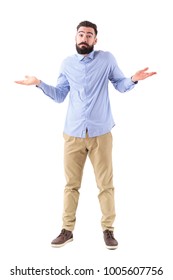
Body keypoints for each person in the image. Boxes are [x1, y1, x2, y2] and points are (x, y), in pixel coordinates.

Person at [15, 20, 156, 250]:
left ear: (95, 40)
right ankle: (67, 230)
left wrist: (133, 79)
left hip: (101, 133)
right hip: (73, 134)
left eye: (89, 35)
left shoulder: (106, 59)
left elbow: (120, 85)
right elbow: (61, 95)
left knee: (105, 185)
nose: (84, 38)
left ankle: (108, 231)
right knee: (71, 185)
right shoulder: (67, 64)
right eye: (81, 34)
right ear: (75, 38)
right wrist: (39, 83)